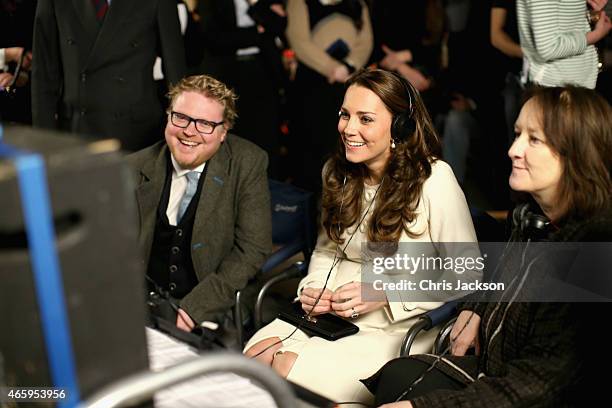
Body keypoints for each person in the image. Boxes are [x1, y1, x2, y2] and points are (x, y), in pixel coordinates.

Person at [365, 85, 612, 407]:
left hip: (537, 393)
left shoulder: (593, 248)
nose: (513, 150)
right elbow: (506, 276)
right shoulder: (529, 219)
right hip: (497, 368)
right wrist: (478, 305)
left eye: (534, 140)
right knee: (395, 377)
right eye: (517, 134)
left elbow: (541, 383)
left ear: (578, 153)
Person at [244, 68, 477, 404]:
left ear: (400, 125)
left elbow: (466, 272)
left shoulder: (434, 179)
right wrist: (311, 288)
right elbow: (327, 250)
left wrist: (385, 294)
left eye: (365, 119)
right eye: (344, 115)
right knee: (251, 364)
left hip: (397, 325)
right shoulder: (336, 173)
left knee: (287, 373)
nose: (348, 129)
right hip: (328, 317)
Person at [127, 74, 272, 332]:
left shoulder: (247, 162)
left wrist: (194, 308)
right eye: (180, 117)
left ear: (223, 131)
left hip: (212, 304)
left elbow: (253, 248)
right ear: (168, 116)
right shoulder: (134, 166)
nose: (189, 131)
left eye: (205, 123)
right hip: (141, 305)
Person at [31, 0, 186, 151]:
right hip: (76, 131)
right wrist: (44, 142)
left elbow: (174, 70)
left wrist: (180, 131)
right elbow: (43, 75)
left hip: (137, 135)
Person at [285, 0, 373, 193]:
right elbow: (299, 41)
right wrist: (331, 67)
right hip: (311, 86)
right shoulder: (299, 3)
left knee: (343, 151)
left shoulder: (358, 4)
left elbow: (366, 41)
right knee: (311, 156)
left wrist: (349, 66)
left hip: (349, 84)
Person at [517, 0, 612, 89]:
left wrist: (589, 14)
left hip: (569, 83)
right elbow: (548, 48)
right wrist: (596, 35)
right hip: (556, 86)